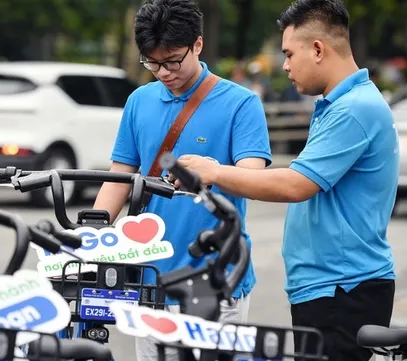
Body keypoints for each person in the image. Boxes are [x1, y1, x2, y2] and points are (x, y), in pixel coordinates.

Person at [174, 1, 398, 360]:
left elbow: (295, 184)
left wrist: (212, 171)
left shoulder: (353, 109)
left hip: (342, 288)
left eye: (289, 54)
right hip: (330, 286)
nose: (285, 65)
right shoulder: (339, 104)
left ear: (318, 49)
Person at [91, 1, 272, 360]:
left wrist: (211, 170)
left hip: (216, 279)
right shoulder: (139, 101)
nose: (163, 72)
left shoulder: (240, 104)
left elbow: (254, 178)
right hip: (150, 281)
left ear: (198, 45)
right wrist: (90, 235)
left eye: (173, 60)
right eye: (152, 62)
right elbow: (118, 180)